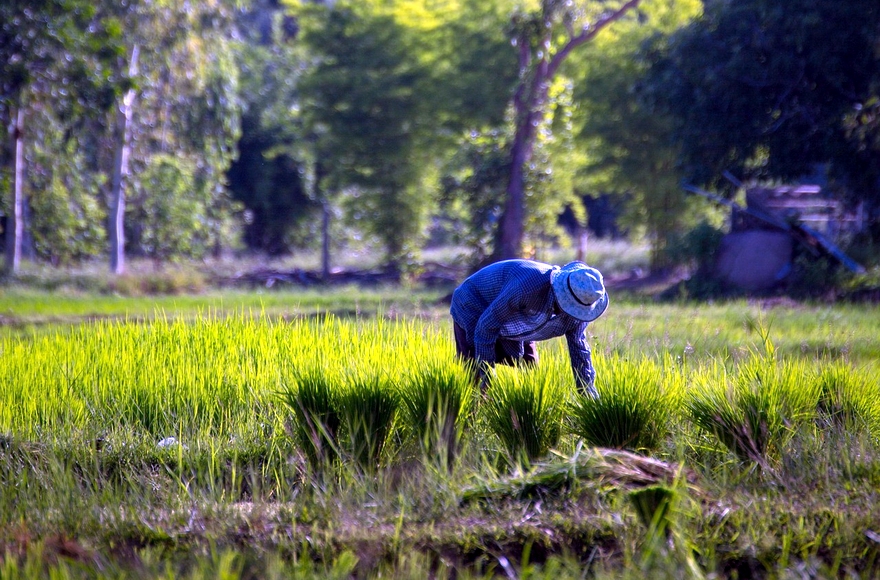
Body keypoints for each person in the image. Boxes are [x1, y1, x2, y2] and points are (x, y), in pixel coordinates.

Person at [450, 259, 608, 397]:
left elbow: (579, 350)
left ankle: (516, 420)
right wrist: (487, 378)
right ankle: (465, 425)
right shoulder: (527, 288)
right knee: (474, 375)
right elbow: (485, 328)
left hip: (517, 317)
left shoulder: (581, 307)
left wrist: (588, 394)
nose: (573, 314)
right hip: (474, 301)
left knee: (530, 371)